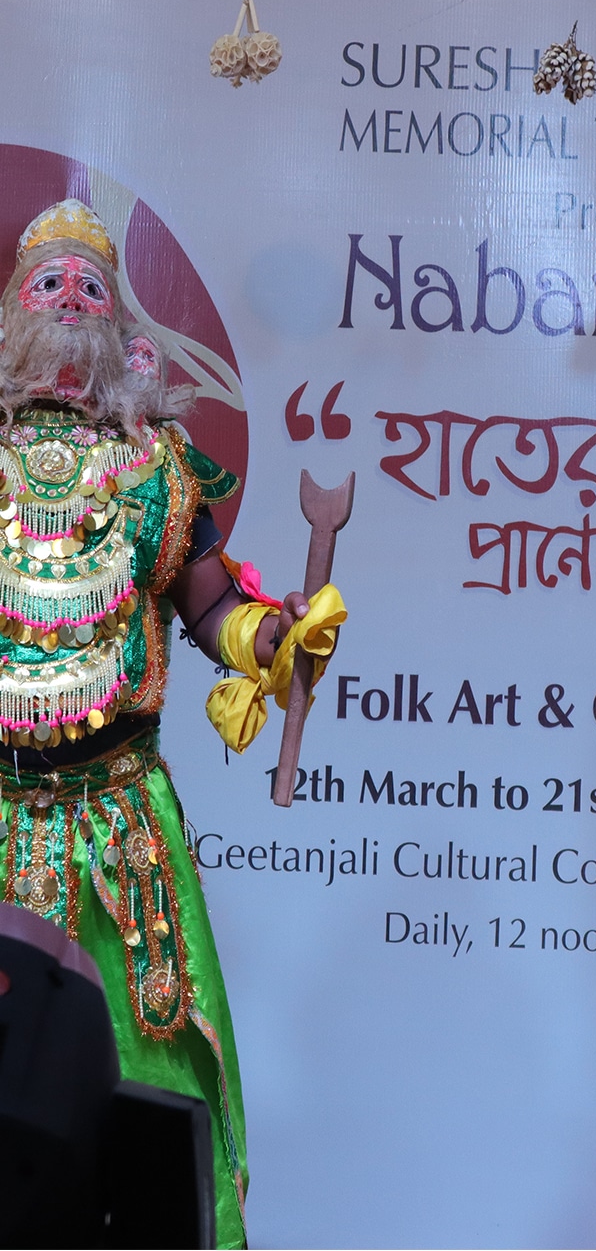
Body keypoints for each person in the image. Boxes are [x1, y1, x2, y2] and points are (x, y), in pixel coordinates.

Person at [0, 198, 344, 1248]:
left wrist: (272, 635)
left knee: (145, 1095)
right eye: (49, 284)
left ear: (118, 324)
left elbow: (210, 609)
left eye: (89, 287)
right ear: (15, 311)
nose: (69, 301)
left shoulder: (157, 465)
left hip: (122, 829)